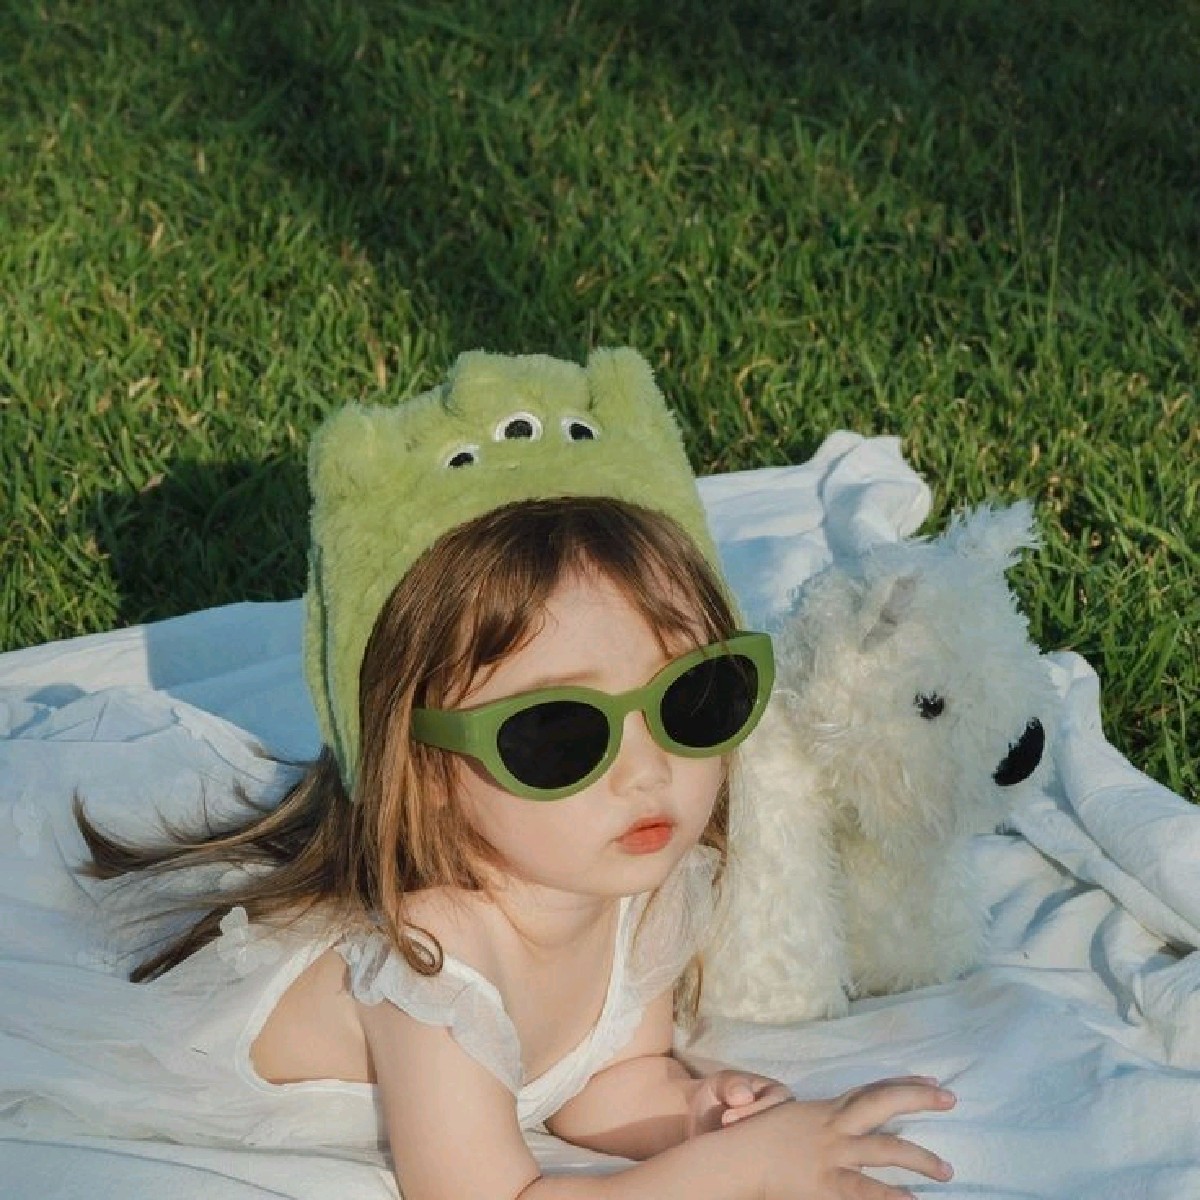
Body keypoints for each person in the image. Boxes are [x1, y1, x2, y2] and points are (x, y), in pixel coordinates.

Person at [2, 349, 956, 1199]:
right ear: (421, 766)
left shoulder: (628, 874)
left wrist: (698, 1113)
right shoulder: (432, 958)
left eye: (692, 700)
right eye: (559, 734)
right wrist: (734, 1175)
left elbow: (605, 1080)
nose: (649, 771)